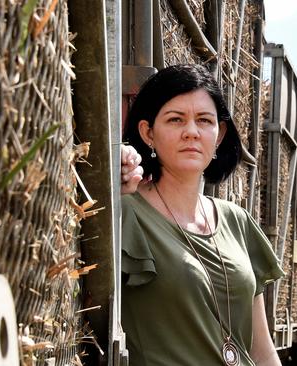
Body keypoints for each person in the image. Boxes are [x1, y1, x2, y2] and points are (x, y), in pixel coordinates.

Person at [119, 64, 284, 365]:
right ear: (148, 133)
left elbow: (262, 348)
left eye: (204, 120)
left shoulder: (237, 220)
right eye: (175, 119)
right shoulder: (127, 212)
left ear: (219, 135)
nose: (191, 132)